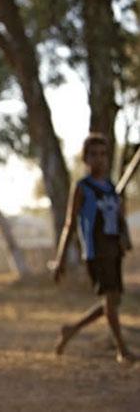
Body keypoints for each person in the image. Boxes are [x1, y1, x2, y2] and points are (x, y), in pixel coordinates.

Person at [52, 132, 135, 364]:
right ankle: (122, 350)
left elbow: (119, 217)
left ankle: (72, 329)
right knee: (110, 300)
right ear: (86, 159)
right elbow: (69, 224)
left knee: (112, 302)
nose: (99, 159)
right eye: (94, 155)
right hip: (96, 251)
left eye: (103, 154)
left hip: (113, 250)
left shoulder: (110, 188)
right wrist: (60, 260)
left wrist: (125, 236)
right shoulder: (82, 188)